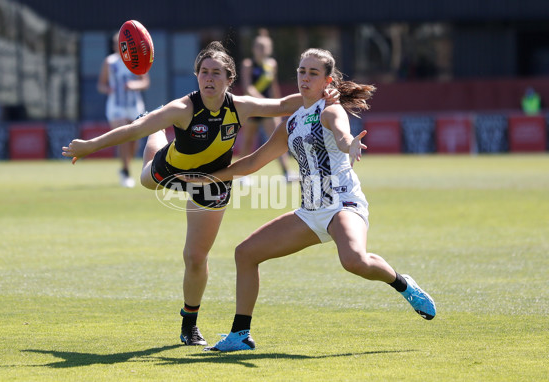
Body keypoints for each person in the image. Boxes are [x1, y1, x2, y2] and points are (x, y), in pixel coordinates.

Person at [62, 42, 338, 347]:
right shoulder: (182, 108)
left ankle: (189, 324)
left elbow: (284, 104)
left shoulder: (239, 106)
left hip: (213, 182)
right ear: (197, 76)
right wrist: (90, 146)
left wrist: (328, 93)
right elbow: (131, 131)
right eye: (204, 72)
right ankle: (159, 133)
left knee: (195, 257)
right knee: (146, 176)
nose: (209, 78)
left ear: (228, 79)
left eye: (216, 73)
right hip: (171, 170)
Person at [183, 48, 436, 352]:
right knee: (245, 254)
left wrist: (350, 144)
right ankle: (240, 334)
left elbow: (342, 135)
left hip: (342, 205)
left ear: (327, 80)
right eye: (302, 71)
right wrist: (211, 177)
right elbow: (253, 162)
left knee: (354, 261)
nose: (304, 78)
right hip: (310, 212)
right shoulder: (292, 122)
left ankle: (403, 284)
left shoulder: (331, 110)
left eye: (313, 73)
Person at [238, 29, 295, 184]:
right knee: (248, 141)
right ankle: (241, 176)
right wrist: (262, 100)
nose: (261, 50)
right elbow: (248, 87)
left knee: (278, 139)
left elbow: (273, 86)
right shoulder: (248, 64)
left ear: (269, 49)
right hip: (253, 107)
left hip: (269, 109)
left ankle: (286, 173)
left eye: (264, 47)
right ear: (253, 49)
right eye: (258, 47)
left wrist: (280, 104)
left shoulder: (271, 64)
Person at [97, 32, 150, 188]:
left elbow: (145, 82)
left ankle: (124, 167)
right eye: (116, 44)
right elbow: (101, 84)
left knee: (134, 141)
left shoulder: (137, 60)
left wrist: (133, 86)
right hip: (116, 106)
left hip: (134, 106)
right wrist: (108, 89)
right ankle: (126, 171)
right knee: (124, 136)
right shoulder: (110, 62)